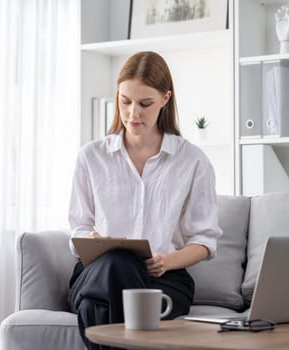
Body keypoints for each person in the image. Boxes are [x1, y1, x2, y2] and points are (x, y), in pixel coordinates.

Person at [67, 51, 222, 350]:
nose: (132, 113)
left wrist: (169, 260)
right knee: (116, 262)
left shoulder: (193, 161)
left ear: (165, 99)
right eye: (125, 101)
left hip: (163, 281)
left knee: (96, 302)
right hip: (97, 274)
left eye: (145, 103)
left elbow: (205, 240)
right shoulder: (91, 157)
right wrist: (92, 239)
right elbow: (79, 228)